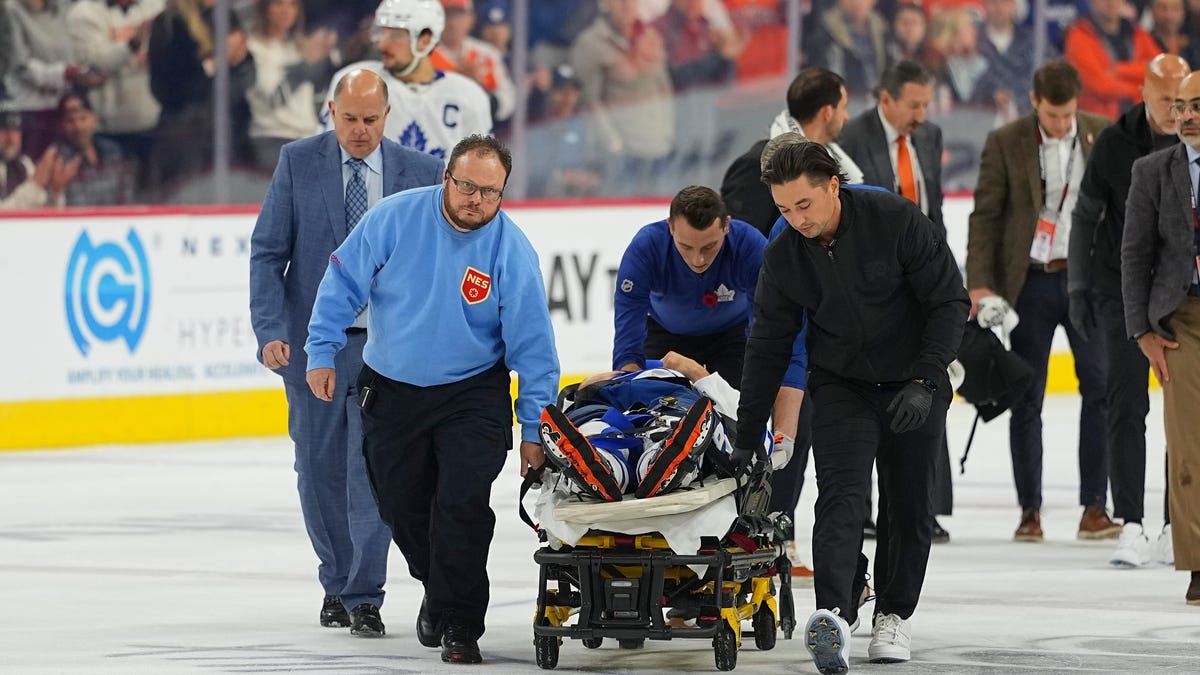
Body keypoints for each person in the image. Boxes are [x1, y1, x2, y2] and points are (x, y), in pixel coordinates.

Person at [304, 134, 559, 664]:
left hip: (472, 394)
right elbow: (343, 281)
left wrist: (535, 430)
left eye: (491, 192)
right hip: (392, 391)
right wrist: (321, 350)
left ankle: (461, 624)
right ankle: (440, 592)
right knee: (402, 507)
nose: (477, 201)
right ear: (447, 178)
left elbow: (534, 351)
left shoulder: (512, 251)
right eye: (467, 186)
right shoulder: (394, 219)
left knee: (460, 506)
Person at [734, 141, 968, 670]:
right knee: (840, 497)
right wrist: (749, 435)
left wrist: (927, 380)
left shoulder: (895, 219)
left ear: (833, 186)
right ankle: (834, 614)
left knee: (909, 504)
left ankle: (893, 614)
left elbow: (949, 301)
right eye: (784, 210)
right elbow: (767, 347)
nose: (796, 220)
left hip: (915, 380)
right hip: (842, 385)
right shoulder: (785, 255)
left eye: (804, 206)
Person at [249, 69, 444, 638]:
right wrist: (269, 330)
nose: (359, 131)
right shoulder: (297, 162)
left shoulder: (423, 173)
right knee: (317, 470)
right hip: (315, 348)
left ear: (389, 116)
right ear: (331, 110)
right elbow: (267, 254)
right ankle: (335, 581)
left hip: (392, 351)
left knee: (372, 473)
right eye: (349, 118)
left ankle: (364, 594)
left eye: (371, 120)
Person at [966, 59, 1117, 544]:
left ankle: (1095, 507)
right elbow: (985, 215)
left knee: (1098, 388)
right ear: (1035, 102)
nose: (1061, 123)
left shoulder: (1099, 133)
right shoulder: (1006, 141)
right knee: (1027, 396)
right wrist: (979, 283)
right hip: (1029, 282)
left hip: (1085, 282)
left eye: (1068, 114)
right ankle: (1029, 511)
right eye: (1053, 115)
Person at [1069, 54, 1188, 568]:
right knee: (1125, 405)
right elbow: (1084, 216)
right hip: (1124, 293)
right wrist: (1077, 285)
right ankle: (1133, 521)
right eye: (1165, 100)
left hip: (1183, 300)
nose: (1174, 110)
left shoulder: (1195, 141)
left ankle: (1173, 523)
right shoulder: (1116, 145)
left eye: (1181, 100)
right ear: (1143, 92)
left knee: (1183, 418)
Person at [839, 59, 952, 542]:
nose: (921, 115)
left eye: (926, 104)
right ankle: (864, 509)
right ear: (885, 100)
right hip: (875, 282)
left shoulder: (928, 136)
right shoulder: (852, 138)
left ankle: (926, 506)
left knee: (928, 382)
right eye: (913, 105)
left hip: (923, 276)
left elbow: (935, 205)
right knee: (866, 393)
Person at [1121, 69, 1200, 606]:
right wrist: (1142, 330)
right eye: (1180, 106)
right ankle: (1198, 562)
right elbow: (1134, 255)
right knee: (1189, 444)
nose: (1186, 115)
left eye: (1196, 105)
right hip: (1183, 321)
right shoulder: (1152, 171)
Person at [612, 185, 766, 386]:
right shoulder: (647, 247)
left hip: (733, 338)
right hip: (665, 335)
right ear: (671, 227)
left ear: (726, 226)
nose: (698, 260)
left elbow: (765, 323)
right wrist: (628, 384)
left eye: (709, 246)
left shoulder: (749, 245)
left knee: (737, 405)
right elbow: (629, 324)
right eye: (685, 246)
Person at [320, 0, 493, 160]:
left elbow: (482, 168)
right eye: (381, 34)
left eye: (395, 36)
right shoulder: (355, 82)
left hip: (439, 193)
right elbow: (325, 154)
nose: (383, 45)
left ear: (425, 40)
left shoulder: (468, 96)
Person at [721, 67, 862, 237]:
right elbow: (738, 239)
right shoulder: (756, 163)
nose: (846, 116)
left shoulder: (832, 158)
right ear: (827, 112)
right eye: (843, 107)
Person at [245, 0, 339, 171]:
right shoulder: (254, 48)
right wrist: (307, 64)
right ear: (265, 8)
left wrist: (325, 60)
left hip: (308, 135)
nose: (286, 11)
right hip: (272, 137)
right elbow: (275, 98)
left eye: (292, 5)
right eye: (278, 4)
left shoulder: (299, 46)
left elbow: (320, 99)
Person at [1063, 0, 1159, 120]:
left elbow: (1160, 72)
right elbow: (1101, 86)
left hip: (1140, 122)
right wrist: (1142, 88)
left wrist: (1119, 70)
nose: (1111, 2)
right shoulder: (1078, 37)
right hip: (1098, 126)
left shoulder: (1137, 33)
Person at [52, 92, 135, 206]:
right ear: (61, 126)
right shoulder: (57, 159)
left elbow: (126, 195)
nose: (78, 127)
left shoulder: (114, 153)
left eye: (83, 118)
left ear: (94, 119)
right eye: (70, 121)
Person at [0, 110, 78, 209]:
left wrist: (55, 193)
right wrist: (35, 184)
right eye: (4, 131)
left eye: (16, 131)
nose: (11, 138)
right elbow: (3, 215)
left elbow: (41, 210)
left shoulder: (24, 164)